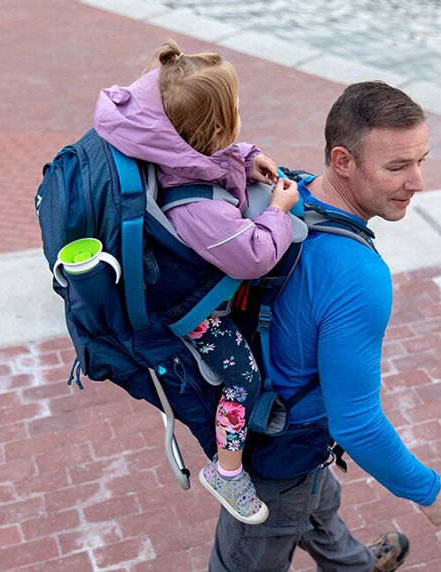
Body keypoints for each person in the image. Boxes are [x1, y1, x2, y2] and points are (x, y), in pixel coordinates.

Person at [208, 81, 441, 572]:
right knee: (280, 524)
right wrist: (430, 492)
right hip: (276, 459)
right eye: (397, 167)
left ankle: (354, 566)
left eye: (421, 161)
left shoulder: (291, 191)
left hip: (271, 419)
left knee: (320, 507)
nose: (417, 182)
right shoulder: (359, 276)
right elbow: (357, 423)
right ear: (344, 161)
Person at [93, 39, 300, 526]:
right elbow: (253, 257)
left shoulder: (173, 146)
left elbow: (219, 158)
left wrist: (249, 157)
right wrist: (278, 213)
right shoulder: (196, 207)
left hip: (198, 274)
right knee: (242, 376)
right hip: (193, 311)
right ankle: (226, 472)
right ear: (213, 127)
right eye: (234, 114)